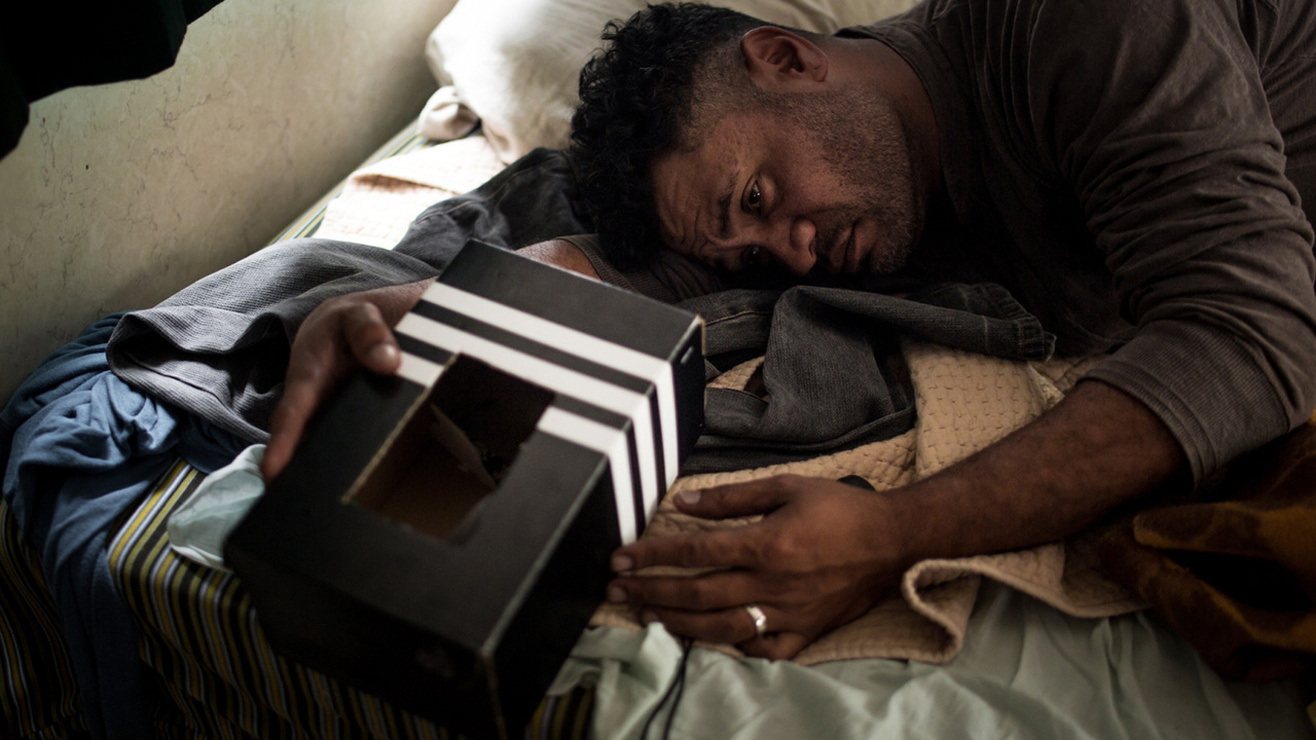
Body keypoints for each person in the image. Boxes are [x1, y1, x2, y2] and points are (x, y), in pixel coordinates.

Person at [260, 0, 1316, 661]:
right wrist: (446, 304)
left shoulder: (1086, 25)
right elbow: (639, 267)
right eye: (752, 250)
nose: (796, 255)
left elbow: (1250, 329)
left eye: (760, 196)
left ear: (789, 58)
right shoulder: (846, 182)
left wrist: (894, 535)